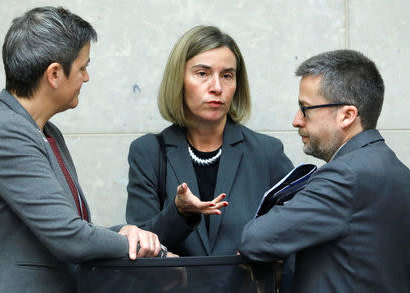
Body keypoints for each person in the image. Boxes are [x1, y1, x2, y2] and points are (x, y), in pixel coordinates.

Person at [0, 7, 162, 293]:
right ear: (55, 74)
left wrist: (128, 232)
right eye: (82, 67)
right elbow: (71, 237)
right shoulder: (7, 132)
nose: (86, 78)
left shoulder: (46, 132)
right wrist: (146, 248)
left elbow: (72, 227)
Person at [240, 49, 410, 293]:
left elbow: (256, 239)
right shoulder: (401, 173)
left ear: (347, 115)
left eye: (305, 108)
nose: (296, 120)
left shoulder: (345, 175)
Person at [125, 25, 293, 257]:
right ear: (179, 80)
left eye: (227, 76)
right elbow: (141, 244)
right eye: (202, 73)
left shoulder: (267, 153)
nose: (216, 87)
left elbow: (295, 234)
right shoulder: (148, 152)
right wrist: (180, 212)